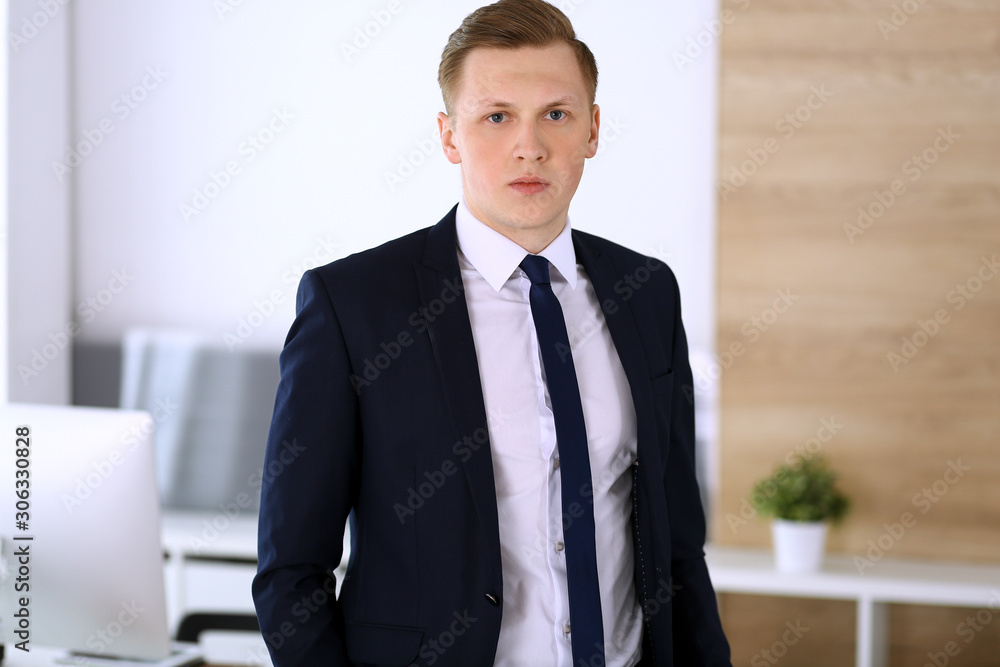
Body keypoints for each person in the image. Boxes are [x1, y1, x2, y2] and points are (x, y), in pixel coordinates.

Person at [252, 0, 732, 665]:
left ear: (593, 129)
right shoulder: (356, 306)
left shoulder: (646, 292)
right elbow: (292, 571)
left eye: (556, 115)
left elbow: (679, 542)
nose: (529, 146)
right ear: (449, 136)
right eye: (496, 116)